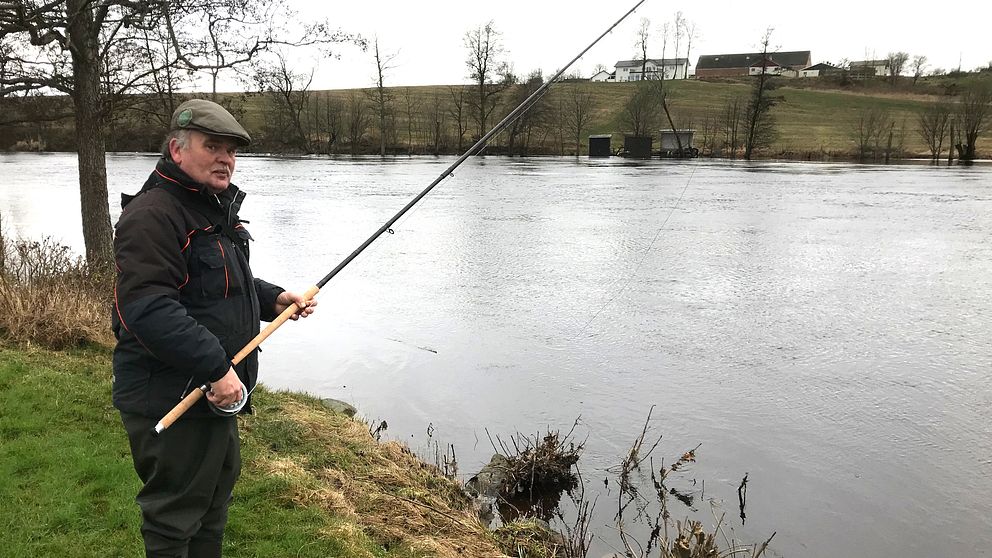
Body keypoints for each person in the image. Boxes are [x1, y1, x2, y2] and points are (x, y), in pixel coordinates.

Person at [111, 99, 316, 557]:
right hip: (172, 393)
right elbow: (148, 308)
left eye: (232, 150)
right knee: (174, 517)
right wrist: (217, 369)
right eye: (213, 146)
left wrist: (274, 299)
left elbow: (220, 286)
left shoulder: (210, 209)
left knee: (211, 506)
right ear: (177, 150)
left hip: (212, 392)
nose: (225, 158)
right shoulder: (154, 215)